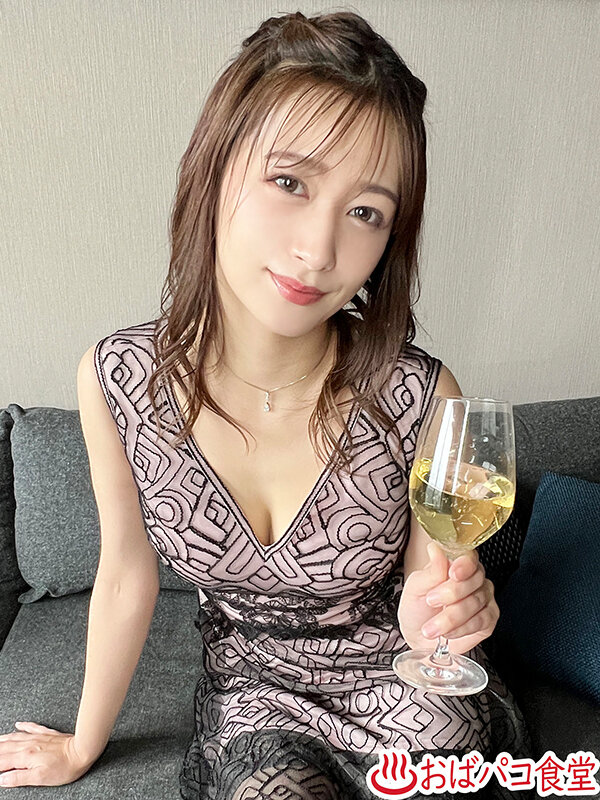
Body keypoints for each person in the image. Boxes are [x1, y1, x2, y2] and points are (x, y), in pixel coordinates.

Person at [0, 10, 533, 798]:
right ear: (215, 170)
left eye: (365, 212)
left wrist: (446, 616)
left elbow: (432, 589)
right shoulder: (118, 378)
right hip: (257, 696)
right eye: (290, 183)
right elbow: (123, 577)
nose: (318, 252)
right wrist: (83, 744)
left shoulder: (421, 393)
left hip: (401, 687)